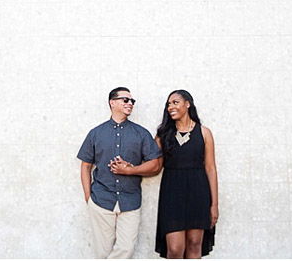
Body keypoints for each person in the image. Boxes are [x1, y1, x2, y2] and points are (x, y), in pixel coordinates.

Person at [77, 87, 162, 258]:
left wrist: (130, 170)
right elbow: (85, 166)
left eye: (132, 101)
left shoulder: (141, 134)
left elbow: (156, 165)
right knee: (103, 253)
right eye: (125, 100)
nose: (130, 103)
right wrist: (89, 197)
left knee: (126, 249)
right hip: (101, 200)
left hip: (130, 201)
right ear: (112, 102)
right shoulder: (96, 133)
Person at [153, 90, 218, 258]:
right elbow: (153, 163)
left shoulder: (204, 133)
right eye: (168, 104)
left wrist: (214, 205)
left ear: (187, 104)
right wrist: (129, 167)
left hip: (198, 192)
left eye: (175, 102)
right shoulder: (162, 135)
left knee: (195, 244)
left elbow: (210, 168)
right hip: (172, 193)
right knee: (174, 249)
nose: (170, 107)